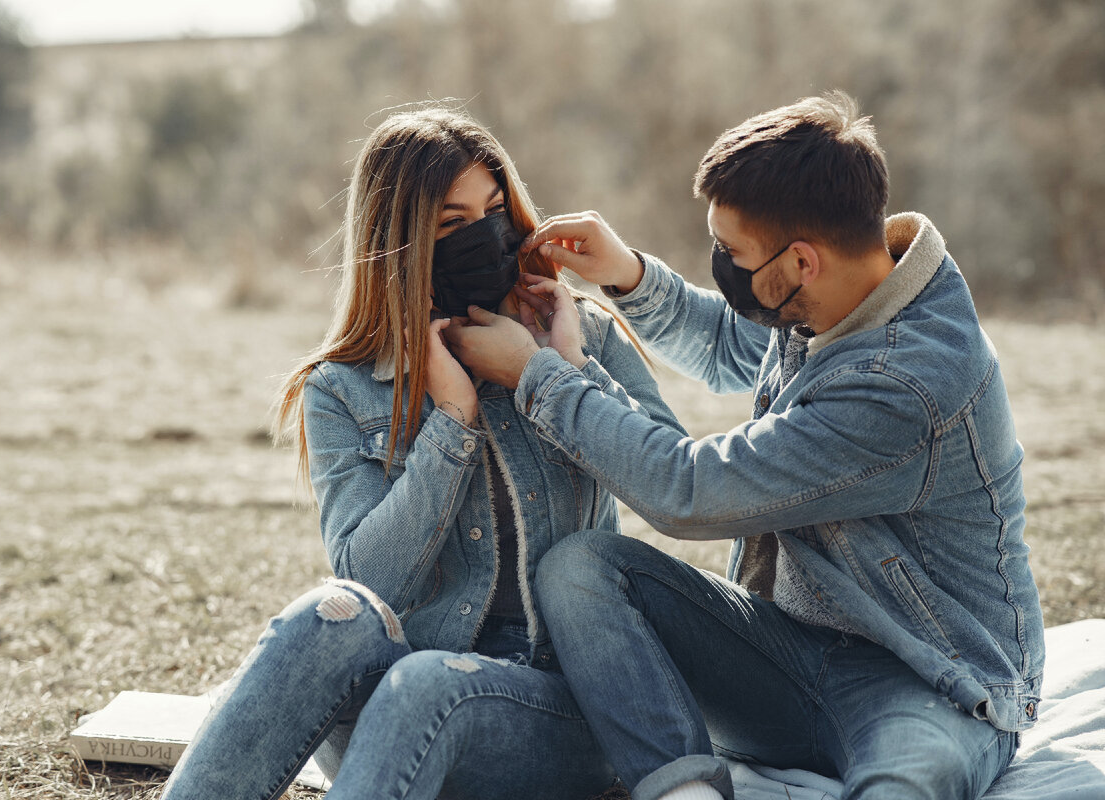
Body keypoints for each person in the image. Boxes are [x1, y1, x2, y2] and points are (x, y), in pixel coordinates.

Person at [445, 91, 1044, 800]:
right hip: (788, 656)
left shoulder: (906, 385)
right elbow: (735, 347)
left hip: (929, 679)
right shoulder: (848, 291)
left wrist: (535, 376)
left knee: (906, 784)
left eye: (730, 253)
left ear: (800, 262)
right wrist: (627, 274)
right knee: (580, 568)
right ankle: (683, 791)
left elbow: (689, 493)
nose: (720, 265)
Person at [158, 106, 683, 800]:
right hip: (399, 716)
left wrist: (558, 371)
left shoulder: (574, 332)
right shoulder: (341, 388)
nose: (488, 238)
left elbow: (672, 477)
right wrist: (454, 420)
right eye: (452, 226)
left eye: (496, 211)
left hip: (555, 710)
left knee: (426, 682)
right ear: (400, 245)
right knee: (330, 610)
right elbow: (371, 578)